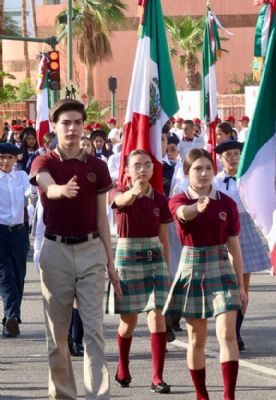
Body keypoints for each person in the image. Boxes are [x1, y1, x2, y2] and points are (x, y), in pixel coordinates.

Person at [30, 99, 119, 399]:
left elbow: (102, 220)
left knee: (94, 331)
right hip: (55, 252)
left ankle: (98, 395)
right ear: (54, 127)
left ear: (84, 127)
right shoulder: (44, 161)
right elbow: (45, 184)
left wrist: (110, 262)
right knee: (57, 338)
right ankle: (64, 395)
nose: (71, 128)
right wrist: (59, 190)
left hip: (91, 250)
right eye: (65, 123)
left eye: (77, 123)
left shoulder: (97, 166)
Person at [164, 148, 246, 400]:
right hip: (193, 265)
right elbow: (181, 214)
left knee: (228, 333)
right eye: (197, 169)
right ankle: (202, 394)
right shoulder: (179, 199)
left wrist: (241, 284)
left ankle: (229, 395)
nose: (203, 173)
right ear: (187, 173)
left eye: (208, 168)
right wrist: (196, 207)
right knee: (196, 337)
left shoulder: (227, 203)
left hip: (221, 266)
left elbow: (234, 245)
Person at [110, 149, 173, 393]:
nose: (142, 170)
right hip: (127, 258)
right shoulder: (119, 193)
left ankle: (157, 377)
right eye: (136, 165)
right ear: (126, 170)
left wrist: (167, 269)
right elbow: (120, 202)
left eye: (147, 165)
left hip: (154, 258)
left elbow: (165, 239)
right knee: (129, 322)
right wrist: (132, 194)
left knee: (157, 316)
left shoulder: (160, 199)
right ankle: (123, 367)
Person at [213, 140, 272, 352]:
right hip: (221, 229)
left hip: (244, 227)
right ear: (221, 158)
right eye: (228, 154)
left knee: (242, 286)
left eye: (236, 153)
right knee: (224, 286)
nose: (232, 157)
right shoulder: (215, 182)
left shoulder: (248, 180)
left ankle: (236, 330)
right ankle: (227, 328)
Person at [0, 143, 29, 338]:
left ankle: (11, 318)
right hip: (0, 233)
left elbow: (31, 194)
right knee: (6, 276)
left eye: (9, 157)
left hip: (19, 233)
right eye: (1, 157)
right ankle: (12, 316)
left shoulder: (22, 177)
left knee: (19, 276)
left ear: (15, 159)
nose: (5, 161)